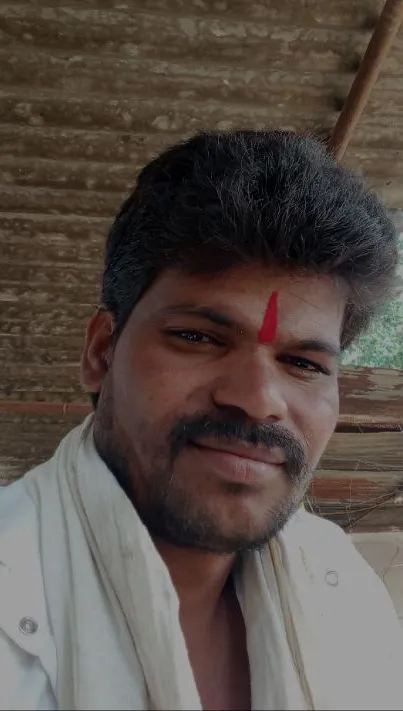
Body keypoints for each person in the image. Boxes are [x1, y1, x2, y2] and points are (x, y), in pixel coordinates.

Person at [1, 131, 402, 711]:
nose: (259, 399)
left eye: (303, 363)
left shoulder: (340, 583)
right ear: (101, 353)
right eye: (198, 337)